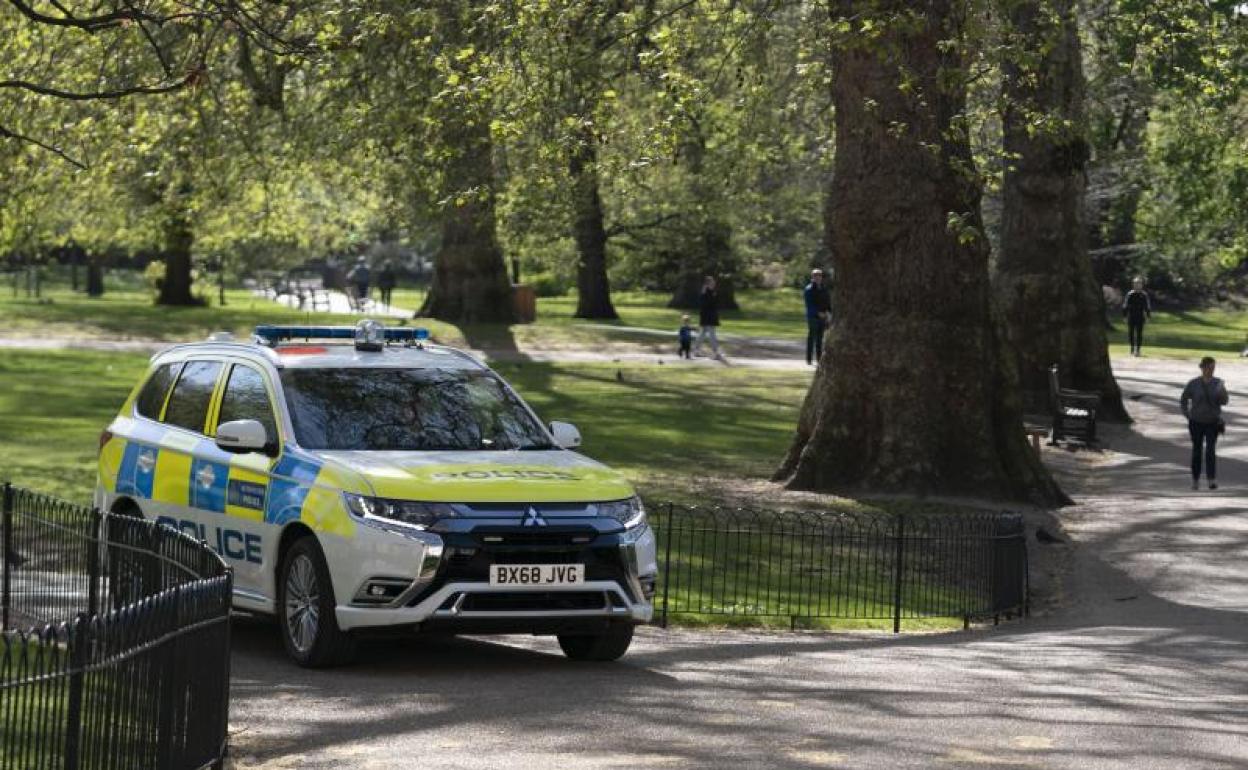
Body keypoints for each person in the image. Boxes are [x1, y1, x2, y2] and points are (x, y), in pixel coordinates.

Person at [1180, 356, 1229, 491]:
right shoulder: (1193, 383)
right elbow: (1183, 399)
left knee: (1210, 451)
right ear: (1202, 368)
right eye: (1208, 368)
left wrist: (1222, 392)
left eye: (1213, 368)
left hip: (1212, 422)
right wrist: (1187, 414)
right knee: (1197, 451)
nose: (1211, 370)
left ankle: (1211, 480)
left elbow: (1224, 402)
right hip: (1196, 422)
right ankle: (1195, 480)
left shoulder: (1218, 383)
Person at [803, 268, 831, 366]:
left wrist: (828, 312)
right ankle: (809, 359)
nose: (818, 278)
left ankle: (819, 359)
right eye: (816, 276)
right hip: (813, 316)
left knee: (820, 338)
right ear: (812, 277)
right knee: (812, 337)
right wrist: (817, 313)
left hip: (823, 316)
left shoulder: (824, 288)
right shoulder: (809, 289)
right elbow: (809, 304)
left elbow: (827, 301)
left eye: (819, 276)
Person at [1123, 276, 1152, 357]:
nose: (1137, 285)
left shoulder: (1144, 295)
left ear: (1141, 285)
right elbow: (1125, 305)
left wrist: (1148, 316)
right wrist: (1124, 316)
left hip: (1140, 316)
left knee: (1139, 333)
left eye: (1139, 283)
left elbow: (1147, 306)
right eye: (1135, 283)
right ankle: (1132, 349)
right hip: (1131, 316)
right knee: (1131, 333)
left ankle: (1138, 350)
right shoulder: (1130, 294)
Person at [695, 275, 721, 359]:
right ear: (707, 283)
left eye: (713, 281)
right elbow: (704, 304)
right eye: (712, 282)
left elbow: (715, 303)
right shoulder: (705, 292)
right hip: (707, 316)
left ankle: (696, 350)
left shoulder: (712, 291)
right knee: (712, 334)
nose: (714, 283)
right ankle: (716, 352)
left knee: (702, 334)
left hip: (711, 315)